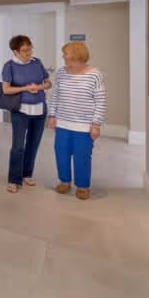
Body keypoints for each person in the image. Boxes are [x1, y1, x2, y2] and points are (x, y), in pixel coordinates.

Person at [48, 41, 107, 200]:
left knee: (82, 156)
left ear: (76, 55)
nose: (63, 57)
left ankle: (82, 186)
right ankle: (65, 181)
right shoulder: (61, 72)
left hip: (84, 126)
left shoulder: (94, 74)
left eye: (65, 54)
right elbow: (56, 96)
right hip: (62, 123)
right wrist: (52, 116)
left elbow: (100, 101)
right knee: (61, 153)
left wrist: (96, 125)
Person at [1, 35, 52, 194]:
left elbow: (48, 82)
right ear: (15, 51)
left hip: (40, 110)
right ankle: (13, 179)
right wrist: (25, 88)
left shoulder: (37, 63)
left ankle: (27, 173)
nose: (28, 53)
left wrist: (39, 86)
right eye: (24, 51)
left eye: (29, 49)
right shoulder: (9, 66)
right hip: (21, 111)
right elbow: (6, 89)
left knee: (33, 144)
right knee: (18, 147)